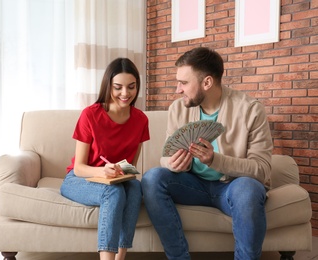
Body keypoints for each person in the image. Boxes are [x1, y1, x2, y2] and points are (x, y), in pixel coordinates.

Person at [141, 47, 273, 260]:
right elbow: (165, 156)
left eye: (183, 83)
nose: (178, 89)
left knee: (248, 189)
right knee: (152, 178)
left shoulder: (251, 109)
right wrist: (173, 164)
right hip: (192, 184)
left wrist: (215, 160)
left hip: (233, 186)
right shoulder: (178, 109)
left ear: (207, 82)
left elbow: (262, 169)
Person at [61, 57, 150, 260]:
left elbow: (131, 167)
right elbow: (79, 168)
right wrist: (102, 171)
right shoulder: (90, 115)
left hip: (113, 180)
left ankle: (121, 257)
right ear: (108, 85)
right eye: (118, 87)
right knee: (113, 193)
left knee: (135, 187)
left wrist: (120, 172)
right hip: (78, 180)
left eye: (131, 87)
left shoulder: (141, 120)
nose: (125, 93)